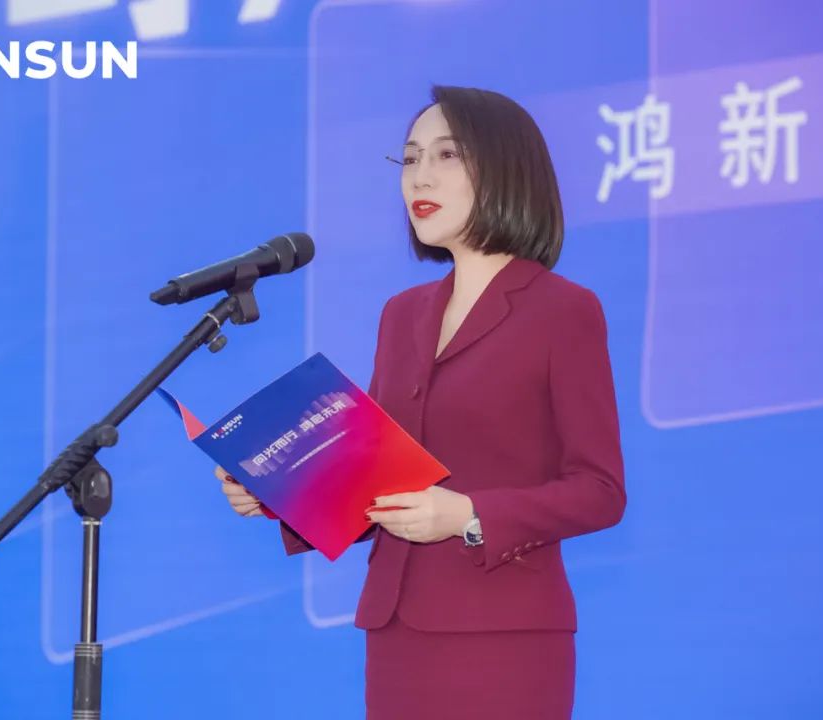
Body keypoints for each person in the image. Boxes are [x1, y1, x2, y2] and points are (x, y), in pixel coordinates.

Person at [216, 85, 626, 719]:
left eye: (446, 155)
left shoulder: (563, 310)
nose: (419, 177)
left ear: (507, 168)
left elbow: (600, 491)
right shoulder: (402, 314)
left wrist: (466, 514)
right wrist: (277, 494)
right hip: (397, 632)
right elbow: (376, 479)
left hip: (504, 638)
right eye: (409, 158)